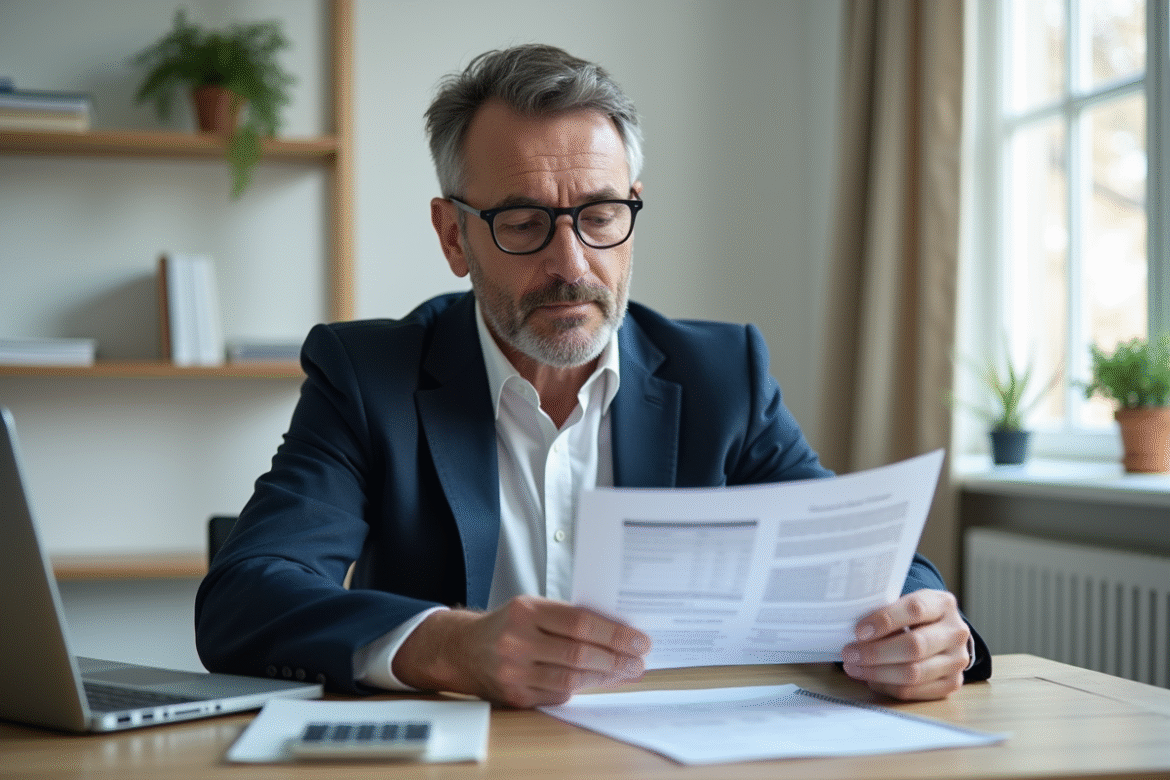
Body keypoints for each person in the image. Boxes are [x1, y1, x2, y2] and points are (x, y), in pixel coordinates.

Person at [195, 44, 990, 709]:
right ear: (453, 237)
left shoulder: (721, 375)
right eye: (524, 222)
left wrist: (922, 625)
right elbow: (244, 597)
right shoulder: (368, 377)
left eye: (600, 215)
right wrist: (450, 646)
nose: (571, 265)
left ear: (632, 210)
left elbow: (846, 548)